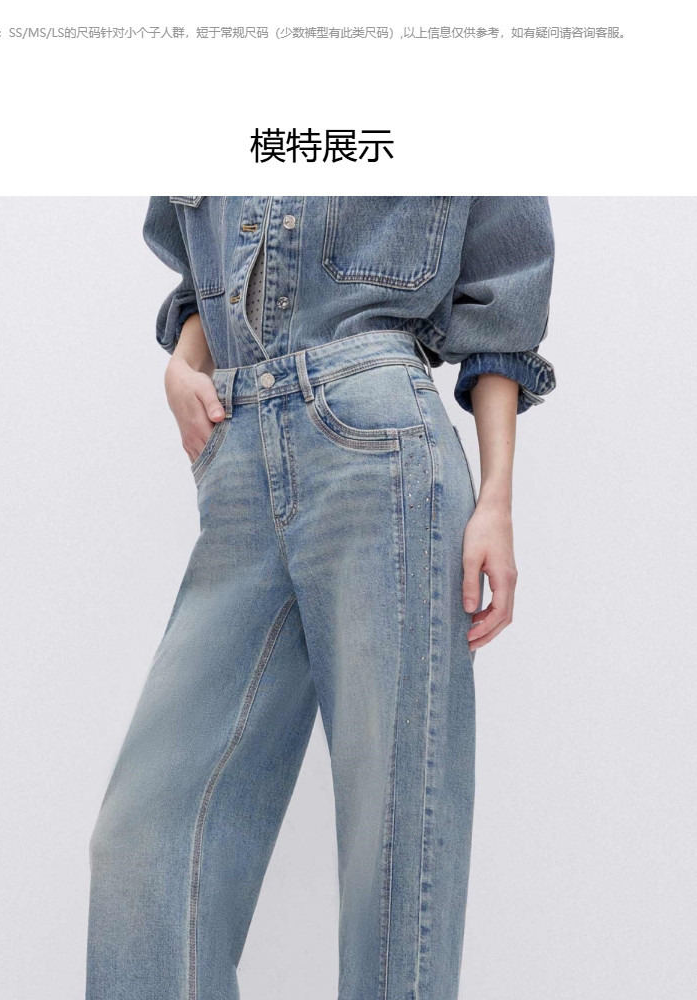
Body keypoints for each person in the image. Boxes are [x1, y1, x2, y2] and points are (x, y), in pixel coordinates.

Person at [85, 196, 556, 1000]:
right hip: (237, 456)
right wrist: (183, 366)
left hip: (380, 444)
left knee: (397, 852)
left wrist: (497, 499)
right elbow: (203, 267)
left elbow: (502, 287)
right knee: (144, 840)